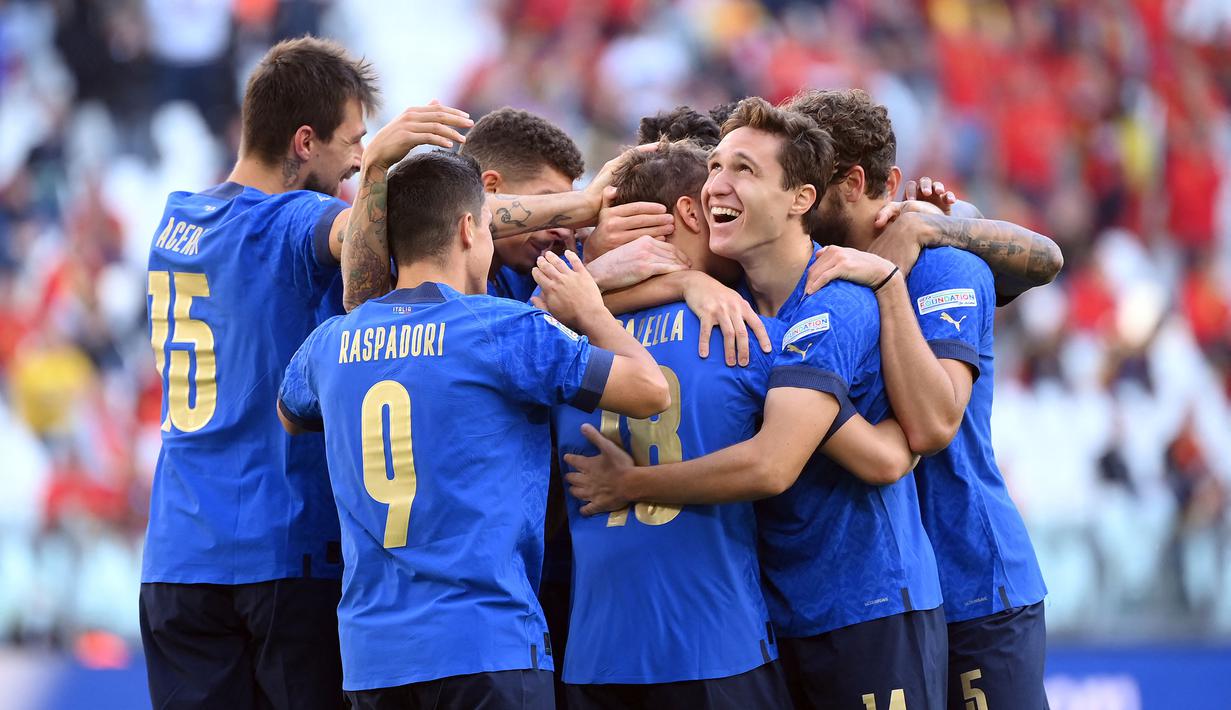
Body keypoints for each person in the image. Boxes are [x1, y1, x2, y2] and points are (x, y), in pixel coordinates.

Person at [564, 97, 945, 708]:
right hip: (775, 613)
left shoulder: (836, 299)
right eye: (715, 166)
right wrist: (682, 280)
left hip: (865, 608)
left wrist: (634, 483)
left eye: (743, 169)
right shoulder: (735, 302)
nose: (717, 182)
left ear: (801, 199)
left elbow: (802, 463)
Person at [277, 149, 669, 709]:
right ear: (468, 229)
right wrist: (591, 309)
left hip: (372, 659)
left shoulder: (330, 342)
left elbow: (289, 414)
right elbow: (650, 390)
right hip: (485, 644)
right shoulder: (506, 329)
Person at [138, 37, 403, 710]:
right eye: (354, 142)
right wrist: (384, 175)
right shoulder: (293, 220)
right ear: (305, 142)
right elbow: (374, 239)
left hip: (177, 557)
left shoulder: (175, 221)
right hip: (281, 550)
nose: (358, 160)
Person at [796, 88, 1053, 710]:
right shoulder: (805, 276)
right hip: (879, 592)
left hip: (970, 577)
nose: (794, 198)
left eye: (809, 183)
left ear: (855, 184)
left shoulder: (943, 262)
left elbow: (1045, 257)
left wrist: (940, 225)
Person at [552, 139, 791, 709]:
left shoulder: (559, 342)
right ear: (690, 212)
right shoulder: (747, 332)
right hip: (716, 648)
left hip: (596, 657)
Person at [460, 107, 586, 301]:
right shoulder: (439, 281)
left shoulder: (524, 274)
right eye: (548, 202)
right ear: (490, 188)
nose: (563, 231)